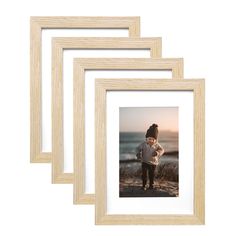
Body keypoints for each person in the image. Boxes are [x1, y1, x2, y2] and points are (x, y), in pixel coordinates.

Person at [136, 124, 164, 190]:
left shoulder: (157, 145)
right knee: (144, 174)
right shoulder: (143, 144)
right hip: (144, 161)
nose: (150, 140)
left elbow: (162, 150)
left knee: (151, 175)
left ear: (155, 139)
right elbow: (137, 148)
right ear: (146, 138)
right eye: (149, 139)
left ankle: (151, 185)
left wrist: (157, 153)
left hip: (153, 163)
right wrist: (138, 153)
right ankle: (143, 185)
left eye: (152, 139)